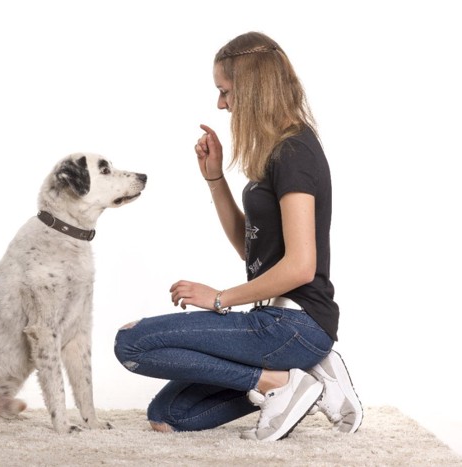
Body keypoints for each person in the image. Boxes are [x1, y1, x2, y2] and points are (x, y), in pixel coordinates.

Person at [114, 31, 363, 441]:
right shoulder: (276, 154)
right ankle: (297, 375)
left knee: (132, 344)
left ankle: (280, 383)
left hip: (294, 323)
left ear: (252, 87)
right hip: (274, 320)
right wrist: (215, 179)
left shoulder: (295, 152)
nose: (221, 104)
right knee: (170, 413)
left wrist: (218, 299)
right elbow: (252, 248)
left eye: (225, 91)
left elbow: (301, 266)